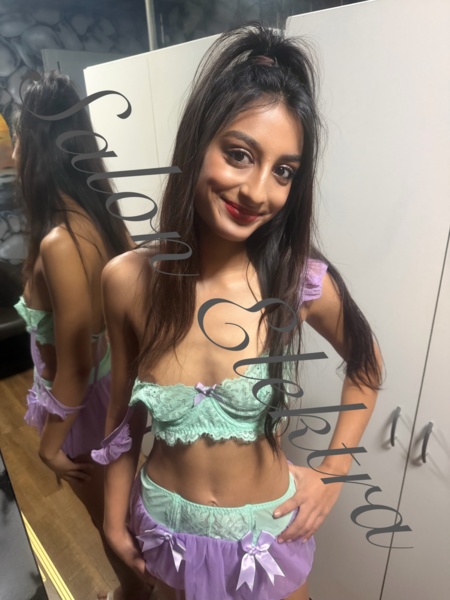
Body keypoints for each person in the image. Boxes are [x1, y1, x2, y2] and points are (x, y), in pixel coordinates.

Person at [95, 25, 382, 600]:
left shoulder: (297, 282)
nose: (257, 191)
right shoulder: (126, 281)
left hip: (265, 537)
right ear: (197, 142)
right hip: (166, 530)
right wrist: (111, 513)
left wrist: (331, 475)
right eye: (239, 154)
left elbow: (367, 365)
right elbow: (123, 416)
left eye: (283, 171)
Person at [12, 72, 152, 600]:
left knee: (110, 524)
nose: (15, 149)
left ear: (38, 147)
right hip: (105, 393)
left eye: (19, 137)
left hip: (85, 408)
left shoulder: (62, 240)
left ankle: (139, 593)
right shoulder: (104, 216)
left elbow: (75, 362)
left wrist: (49, 447)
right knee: (124, 514)